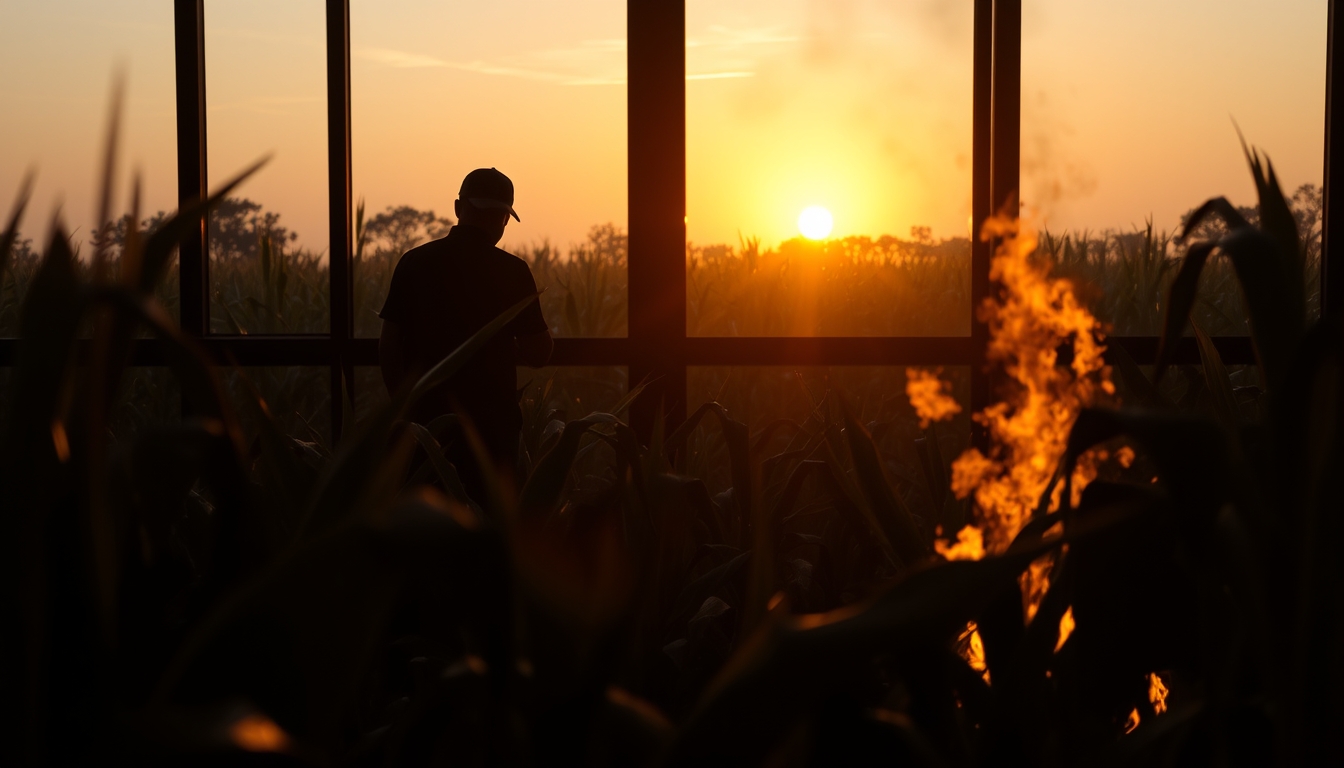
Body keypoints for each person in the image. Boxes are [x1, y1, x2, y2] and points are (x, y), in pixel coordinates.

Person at [377, 167, 553, 503]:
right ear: (504, 218)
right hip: (491, 435)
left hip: (425, 429)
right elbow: (540, 353)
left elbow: (388, 346)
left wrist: (404, 410)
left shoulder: (414, 263)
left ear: (458, 208)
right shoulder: (513, 271)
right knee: (487, 530)